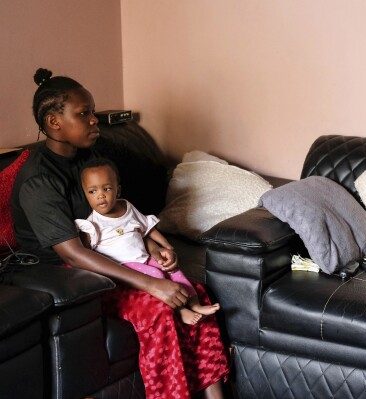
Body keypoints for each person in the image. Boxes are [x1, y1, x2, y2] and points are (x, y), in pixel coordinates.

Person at [11, 68, 229, 399]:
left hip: (116, 255)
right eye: (83, 114)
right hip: (71, 274)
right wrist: (152, 283)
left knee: (195, 293)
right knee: (161, 312)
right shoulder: (39, 181)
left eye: (92, 112)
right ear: (54, 122)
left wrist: (151, 250)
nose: (94, 120)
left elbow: (121, 216)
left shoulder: (91, 159)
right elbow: (72, 253)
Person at [76, 157, 220, 325]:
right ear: (85, 194)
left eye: (106, 188)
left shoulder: (127, 207)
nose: (100, 195)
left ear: (118, 190)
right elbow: (86, 256)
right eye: (92, 191)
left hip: (144, 258)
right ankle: (181, 310)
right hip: (124, 266)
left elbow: (147, 229)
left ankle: (195, 304)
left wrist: (167, 246)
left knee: (173, 269)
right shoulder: (91, 225)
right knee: (158, 276)